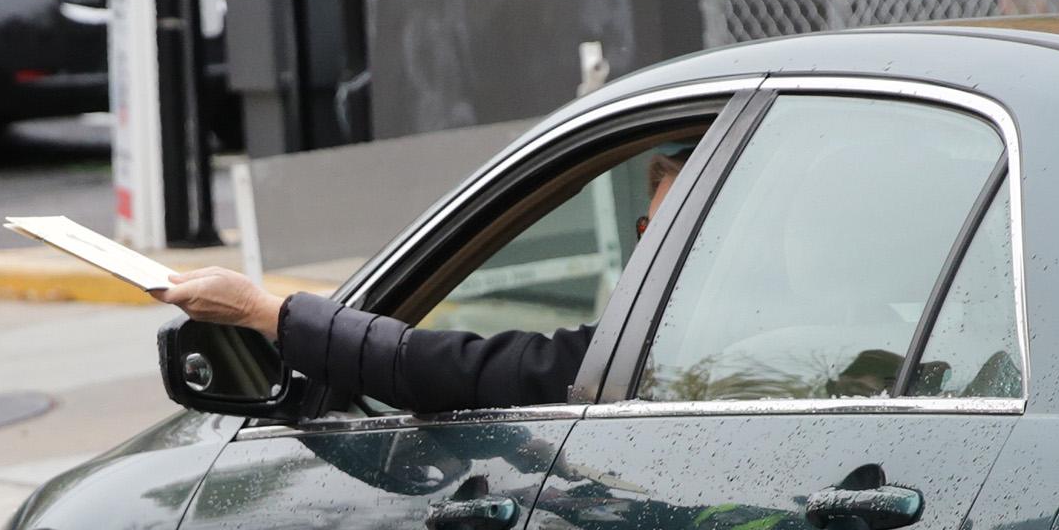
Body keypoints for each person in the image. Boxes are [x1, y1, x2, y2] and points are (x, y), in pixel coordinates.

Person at [159, 147, 689, 414]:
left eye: (668, 232)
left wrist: (262, 312)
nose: (649, 247)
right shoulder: (679, 348)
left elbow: (450, 370)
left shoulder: (659, 355)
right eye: (646, 228)